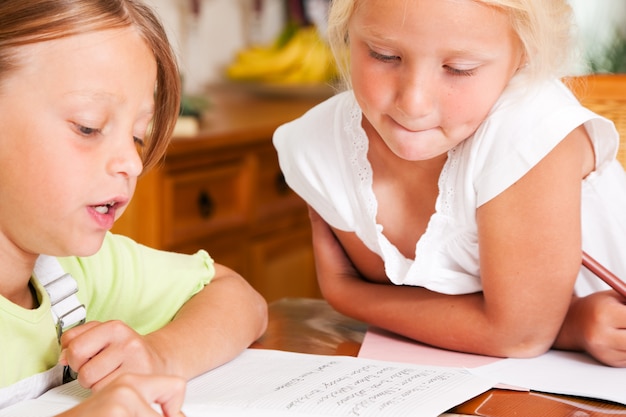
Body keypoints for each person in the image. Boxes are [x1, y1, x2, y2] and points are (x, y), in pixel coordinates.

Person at [273, 0, 626, 367]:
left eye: (459, 69)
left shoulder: (530, 126)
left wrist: (345, 293)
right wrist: (565, 324)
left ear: (523, 56)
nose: (413, 103)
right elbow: (512, 329)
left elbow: (518, 335)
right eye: (383, 55)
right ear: (348, 31)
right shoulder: (316, 146)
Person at [0, 0, 268, 414]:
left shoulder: (72, 269)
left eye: (138, 136)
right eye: (88, 127)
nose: (132, 162)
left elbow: (238, 298)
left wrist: (158, 355)